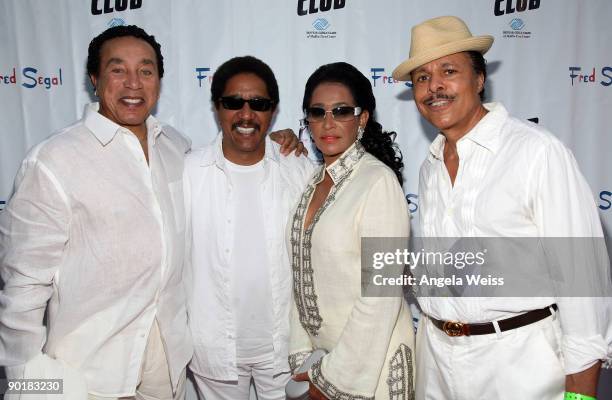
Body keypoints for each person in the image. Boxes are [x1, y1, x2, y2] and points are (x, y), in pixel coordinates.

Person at [0, 26, 301, 399]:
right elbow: (22, 288)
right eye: (117, 69)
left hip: (168, 367)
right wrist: (30, 386)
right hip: (90, 375)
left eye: (145, 71)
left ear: (158, 81)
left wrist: (278, 143)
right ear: (94, 79)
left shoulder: (176, 149)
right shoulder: (54, 161)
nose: (133, 83)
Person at [392, 15, 611, 400]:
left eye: (448, 71)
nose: (434, 87)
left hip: (521, 368)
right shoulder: (430, 165)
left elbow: (584, 280)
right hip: (437, 363)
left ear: (478, 79)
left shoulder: (536, 152)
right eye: (422, 78)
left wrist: (581, 393)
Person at [184, 55, 315, 400]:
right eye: (233, 103)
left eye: (258, 104)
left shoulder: (297, 167)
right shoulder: (187, 172)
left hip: (286, 348)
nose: (246, 115)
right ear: (216, 107)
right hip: (214, 350)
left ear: (273, 110)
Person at [289, 62, 415, 399]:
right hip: (322, 363)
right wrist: (305, 359)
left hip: (371, 370)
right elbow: (301, 276)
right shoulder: (313, 182)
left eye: (341, 111)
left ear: (362, 118)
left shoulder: (378, 182)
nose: (328, 123)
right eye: (318, 112)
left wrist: (333, 380)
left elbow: (380, 296)